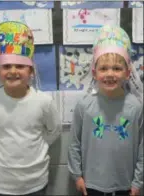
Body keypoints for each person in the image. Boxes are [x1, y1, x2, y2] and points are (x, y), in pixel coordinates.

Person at [68, 25, 143, 196]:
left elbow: (142, 149)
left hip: (125, 186)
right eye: (104, 68)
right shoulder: (84, 105)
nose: (110, 74)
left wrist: (138, 182)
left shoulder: (136, 107)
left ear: (127, 72)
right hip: (91, 185)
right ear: (94, 72)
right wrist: (77, 176)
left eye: (117, 68)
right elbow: (74, 145)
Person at [0, 21, 61, 196]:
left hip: (35, 182)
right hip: (0, 183)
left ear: (31, 72)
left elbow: (55, 130)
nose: (13, 71)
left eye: (20, 66)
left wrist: (39, 146)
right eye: (6, 66)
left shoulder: (43, 102)